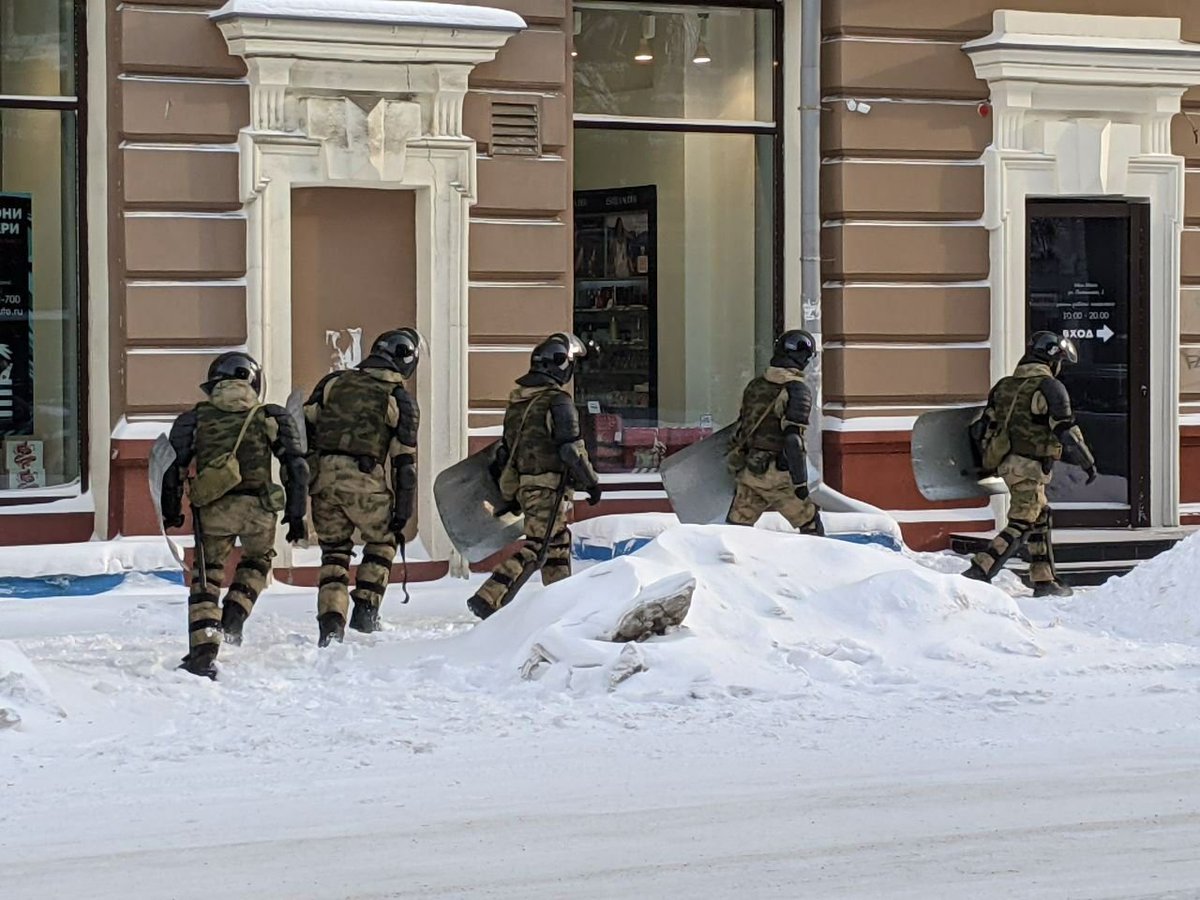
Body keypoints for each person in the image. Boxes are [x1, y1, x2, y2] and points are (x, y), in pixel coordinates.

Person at [162, 352, 308, 679]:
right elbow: (296, 465)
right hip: (259, 508)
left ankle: (203, 652)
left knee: (207, 576)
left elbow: (172, 467)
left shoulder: (194, 419)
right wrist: (297, 514)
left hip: (213, 509)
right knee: (257, 561)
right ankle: (235, 615)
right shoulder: (270, 415)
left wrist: (170, 511)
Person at [467, 333, 601, 620]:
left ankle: (560, 603)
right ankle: (487, 598)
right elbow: (570, 448)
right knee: (538, 547)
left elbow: (505, 449)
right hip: (548, 485)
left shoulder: (519, 403)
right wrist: (590, 481)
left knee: (557, 543)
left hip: (524, 484)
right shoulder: (558, 402)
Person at [305, 328, 421, 647]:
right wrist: (403, 511)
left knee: (334, 552)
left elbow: (302, 427)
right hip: (364, 479)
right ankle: (366, 610)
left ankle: (331, 622)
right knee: (382, 540)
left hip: (322, 480)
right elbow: (404, 463)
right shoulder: (398, 398)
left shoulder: (332, 383)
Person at [963, 331, 1097, 597]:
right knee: (1023, 520)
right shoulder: (1049, 387)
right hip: (1030, 465)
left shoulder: (1004, 386)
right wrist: (1088, 462)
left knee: (1040, 515)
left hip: (1005, 462)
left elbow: (982, 427)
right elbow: (1066, 430)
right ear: (1053, 359)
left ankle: (1044, 579)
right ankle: (980, 570)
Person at [724, 329, 824, 536]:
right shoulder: (796, 390)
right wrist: (800, 483)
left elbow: (741, 426)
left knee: (736, 530)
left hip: (751, 470)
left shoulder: (755, 386)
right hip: (778, 475)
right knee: (810, 525)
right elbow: (793, 441)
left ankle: (730, 566)